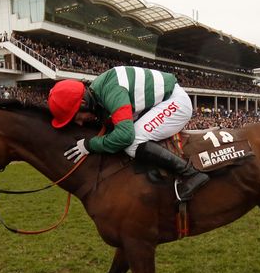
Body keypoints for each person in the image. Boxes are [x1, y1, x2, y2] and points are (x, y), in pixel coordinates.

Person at [48, 66, 209, 201]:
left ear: (83, 102)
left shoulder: (111, 91)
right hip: (160, 101)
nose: (80, 122)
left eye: (76, 116)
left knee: (132, 141)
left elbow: (125, 135)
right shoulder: (98, 90)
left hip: (176, 102)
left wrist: (89, 145)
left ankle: (191, 174)